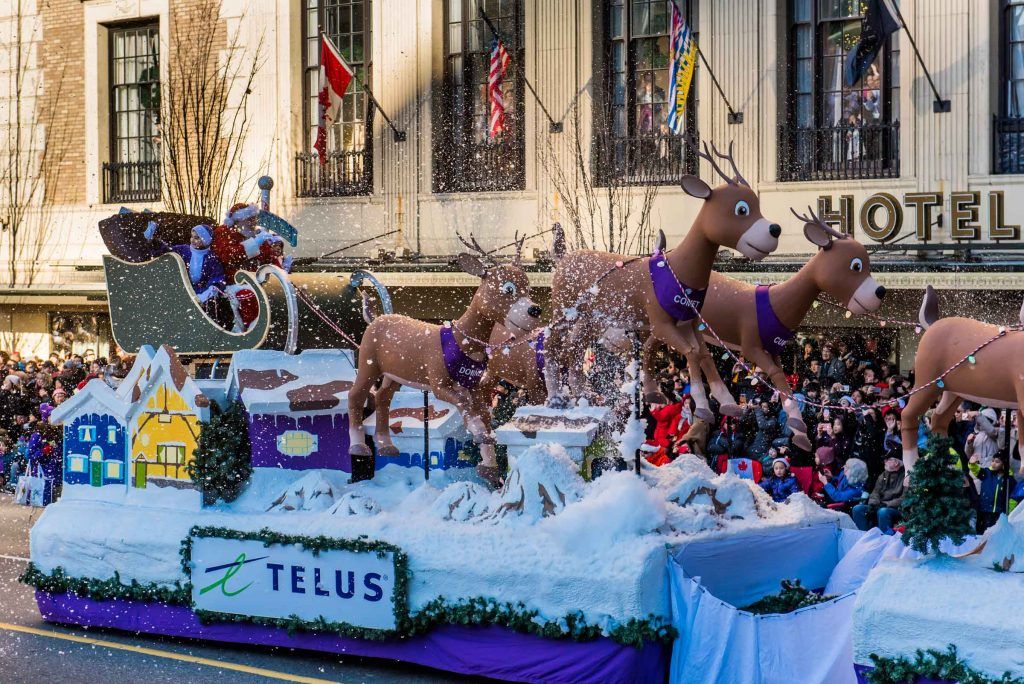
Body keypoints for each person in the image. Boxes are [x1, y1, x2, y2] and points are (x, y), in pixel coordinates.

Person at [852, 449, 906, 535]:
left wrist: (886, 504)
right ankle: (865, 536)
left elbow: (904, 499)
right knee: (858, 509)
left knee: (883, 511)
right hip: (880, 505)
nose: (885, 461)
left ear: (896, 463)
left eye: (888, 459)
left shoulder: (906, 475)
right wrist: (873, 504)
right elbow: (875, 493)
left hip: (896, 509)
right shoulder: (884, 474)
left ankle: (885, 540)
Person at [970, 453, 1016, 534]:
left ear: (1004, 464)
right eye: (992, 461)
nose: (993, 464)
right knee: (981, 533)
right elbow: (976, 470)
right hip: (983, 510)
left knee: (994, 535)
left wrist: (1010, 512)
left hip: (998, 513)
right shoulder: (987, 473)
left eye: (997, 462)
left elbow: (1012, 497)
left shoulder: (1009, 480)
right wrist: (972, 464)